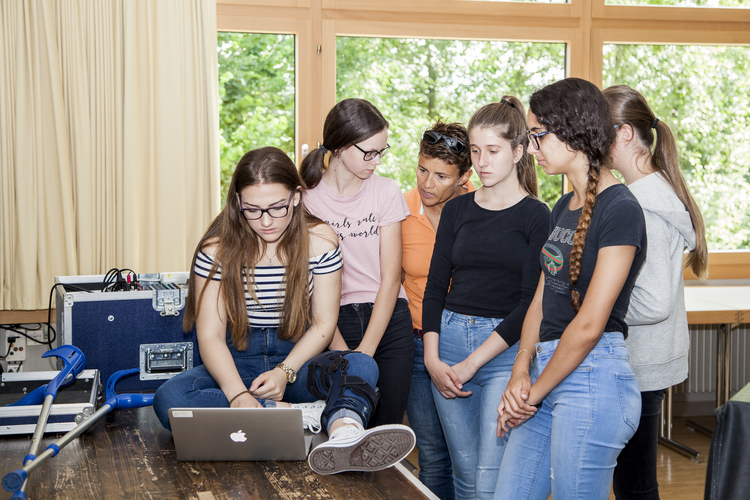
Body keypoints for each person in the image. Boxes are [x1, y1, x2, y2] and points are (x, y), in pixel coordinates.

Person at [152, 147, 415, 475]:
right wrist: (237, 397)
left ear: (295, 196)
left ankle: (344, 432)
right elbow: (209, 335)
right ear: (237, 203)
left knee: (361, 362)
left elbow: (323, 323)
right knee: (169, 397)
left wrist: (284, 372)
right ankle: (301, 414)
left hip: (296, 361)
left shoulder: (321, 240)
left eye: (277, 208)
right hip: (236, 364)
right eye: (253, 210)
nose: (266, 221)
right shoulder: (215, 249)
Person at [494, 77, 647, 500]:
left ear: (573, 131)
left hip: (593, 377)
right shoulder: (563, 206)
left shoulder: (621, 209)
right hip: (547, 368)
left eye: (538, 136)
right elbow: (542, 299)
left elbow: (589, 325)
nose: (534, 149)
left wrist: (530, 396)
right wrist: (521, 369)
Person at [421, 98, 551, 499]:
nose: (482, 162)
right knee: (463, 475)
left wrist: (471, 364)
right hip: (449, 341)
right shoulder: (457, 209)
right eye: (476, 152)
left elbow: (531, 302)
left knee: (490, 478)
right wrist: (433, 359)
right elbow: (435, 287)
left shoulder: (537, 214)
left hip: (504, 352)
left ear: (517, 151)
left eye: (493, 151)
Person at [604, 84, 708, 500]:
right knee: (633, 478)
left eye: (598, 131)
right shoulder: (645, 192)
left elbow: (654, 302)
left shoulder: (646, 203)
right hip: (642, 359)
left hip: (642, 361)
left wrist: (592, 307)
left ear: (625, 134)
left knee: (635, 483)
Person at [301, 98, 415, 428]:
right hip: (330, 321)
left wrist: (365, 351)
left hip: (389, 319)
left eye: (382, 151)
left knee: (386, 431)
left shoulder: (386, 192)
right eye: (369, 152)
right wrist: (341, 348)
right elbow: (307, 286)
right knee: (341, 425)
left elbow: (391, 278)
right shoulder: (306, 198)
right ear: (338, 147)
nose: (376, 161)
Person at [402, 120, 475, 500]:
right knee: (432, 455)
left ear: (465, 177)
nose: (427, 184)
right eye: (422, 170)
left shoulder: (483, 209)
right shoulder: (400, 211)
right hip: (417, 347)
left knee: (469, 457)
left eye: (441, 176)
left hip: (470, 346)